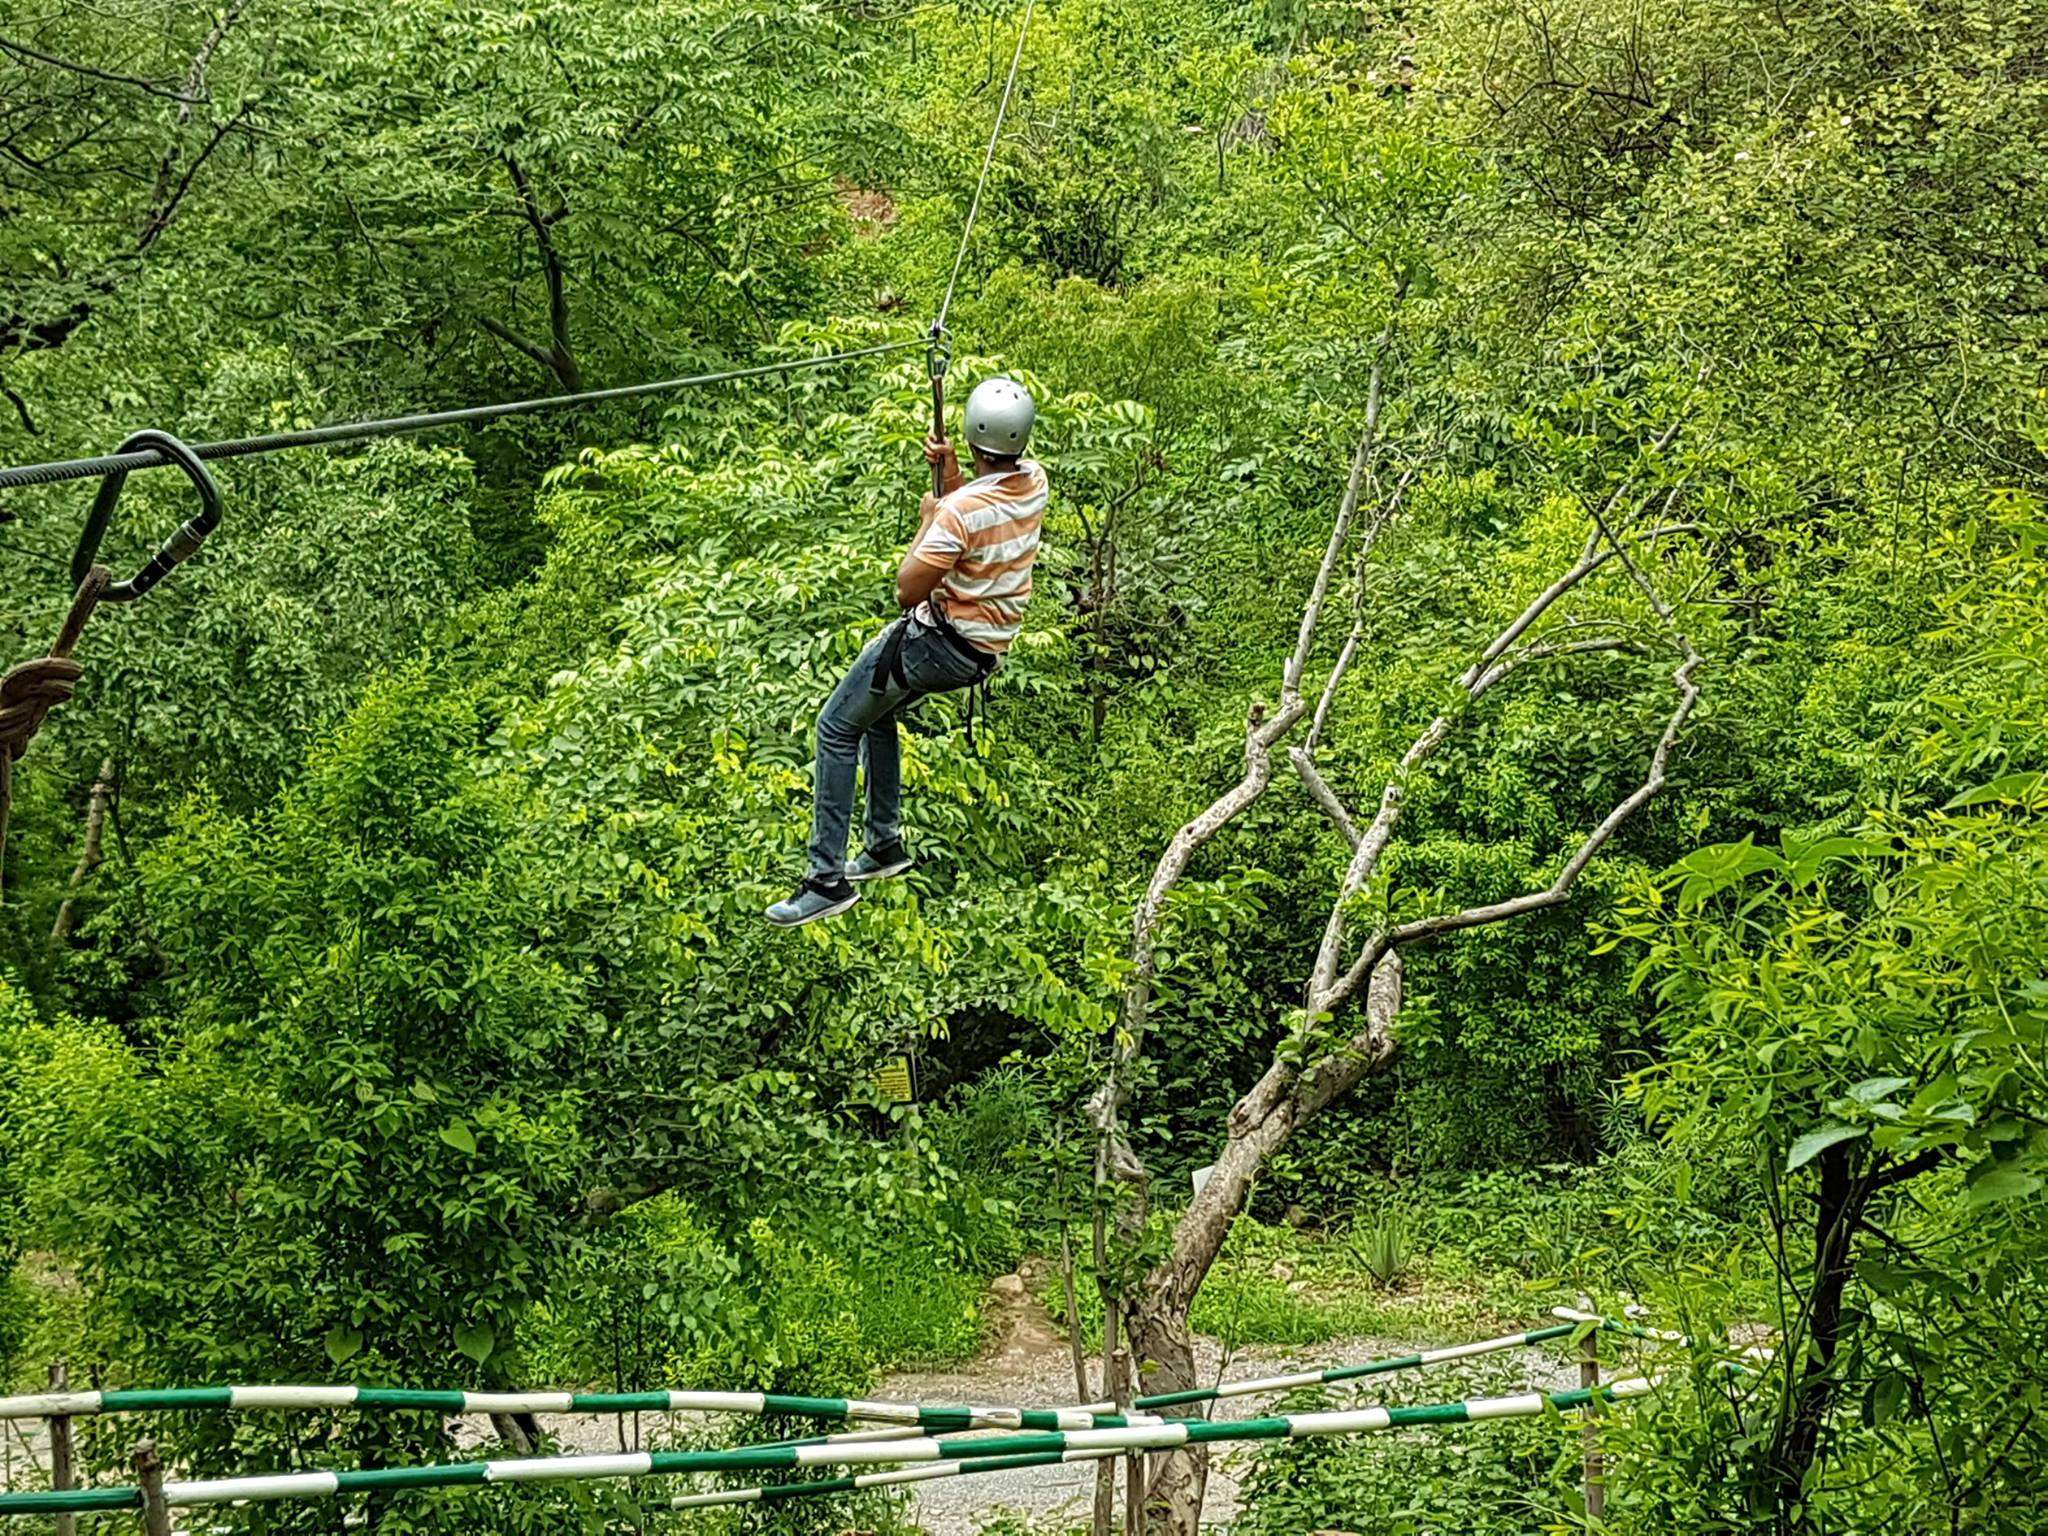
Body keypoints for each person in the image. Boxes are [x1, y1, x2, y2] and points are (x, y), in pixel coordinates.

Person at [767, 377, 1046, 927]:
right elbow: (980, 503)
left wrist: (927, 519)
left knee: (836, 727)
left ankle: (825, 880)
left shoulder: (956, 515)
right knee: (877, 715)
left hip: (935, 643)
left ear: (970, 435)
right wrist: (950, 476)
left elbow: (907, 588)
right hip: (982, 651)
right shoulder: (1034, 482)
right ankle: (883, 843)